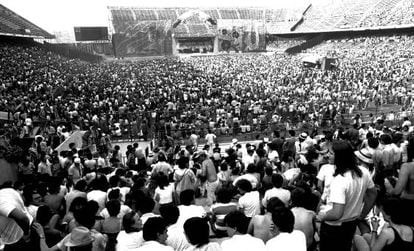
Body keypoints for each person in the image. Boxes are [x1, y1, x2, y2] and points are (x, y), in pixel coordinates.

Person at [317, 141, 377, 251]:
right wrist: (362, 214)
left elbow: (336, 213)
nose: (327, 156)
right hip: (351, 224)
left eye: (331, 153)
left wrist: (321, 216)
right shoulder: (364, 172)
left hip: (333, 227)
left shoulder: (339, 180)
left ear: (340, 157)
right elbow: (373, 194)